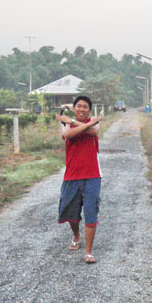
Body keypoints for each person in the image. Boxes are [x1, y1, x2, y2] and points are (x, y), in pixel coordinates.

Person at [56, 95, 103, 264]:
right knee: (69, 211)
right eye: (79, 106)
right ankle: (76, 234)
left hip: (92, 175)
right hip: (72, 174)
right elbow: (68, 135)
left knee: (91, 211)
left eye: (85, 107)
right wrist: (74, 122)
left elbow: (94, 131)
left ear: (89, 110)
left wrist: (83, 122)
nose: (82, 109)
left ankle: (88, 251)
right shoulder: (65, 124)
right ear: (74, 108)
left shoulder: (94, 122)